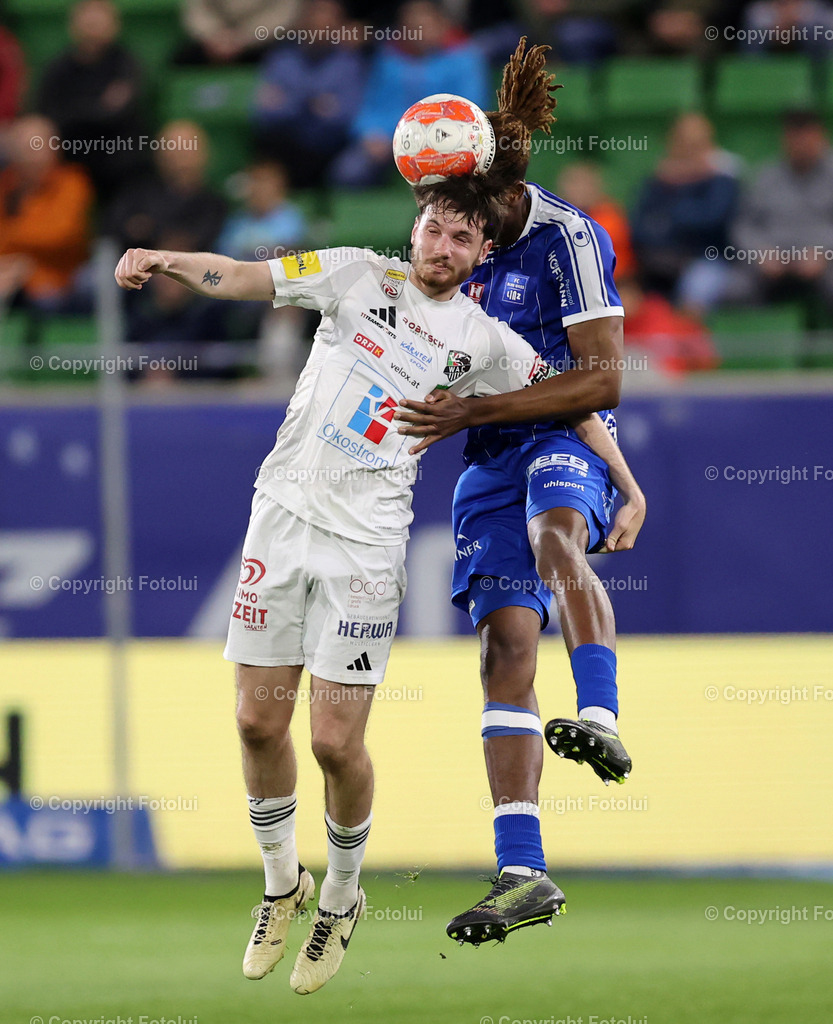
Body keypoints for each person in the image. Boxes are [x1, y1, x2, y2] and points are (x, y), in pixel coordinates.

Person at [114, 177, 644, 984]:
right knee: (257, 725)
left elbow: (573, 405)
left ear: (481, 255)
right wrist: (166, 260)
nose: (441, 248)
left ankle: (342, 896)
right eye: (433, 230)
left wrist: (628, 483)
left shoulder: (484, 342)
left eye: (461, 240)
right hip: (280, 522)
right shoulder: (354, 273)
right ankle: (280, 883)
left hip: (365, 549)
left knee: (333, 742)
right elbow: (247, 277)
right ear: (415, 230)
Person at [395, 39, 646, 944]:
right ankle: (523, 871)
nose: (450, 228)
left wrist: (617, 476)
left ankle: (599, 715)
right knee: (503, 648)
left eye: (464, 212)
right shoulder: (442, 239)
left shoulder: (565, 237)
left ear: (499, 192)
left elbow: (603, 381)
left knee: (554, 537)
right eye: (433, 211)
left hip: (556, 429)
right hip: (483, 451)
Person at [329, 0, 489, 189]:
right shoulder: (388, 57)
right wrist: (369, 133)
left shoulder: (466, 58)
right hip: (390, 139)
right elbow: (370, 104)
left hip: (445, 141)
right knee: (349, 172)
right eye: (410, 24)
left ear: (442, 24)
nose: (417, 30)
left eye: (424, 24)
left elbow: (471, 109)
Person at [630, 112, 739, 316]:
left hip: (704, 260)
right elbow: (639, 228)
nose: (689, 149)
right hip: (657, 260)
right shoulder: (658, 180)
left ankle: (688, 344)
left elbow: (712, 220)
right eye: (683, 142)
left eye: (696, 143)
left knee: (695, 292)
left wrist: (669, 219)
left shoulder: (723, 178)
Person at [36, 0, 146, 201]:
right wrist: (99, 107)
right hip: (71, 153)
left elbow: (118, 113)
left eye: (99, 21)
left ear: (114, 26)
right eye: (88, 22)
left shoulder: (126, 64)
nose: (93, 29)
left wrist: (76, 111)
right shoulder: (58, 68)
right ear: (73, 26)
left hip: (118, 155)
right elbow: (50, 116)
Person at [730, 109, 833, 321]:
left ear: (820, 135)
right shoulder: (765, 177)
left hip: (825, 261)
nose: (800, 143)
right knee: (732, 290)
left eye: (806, 134)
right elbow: (743, 225)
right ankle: (757, 350)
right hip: (773, 261)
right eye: (794, 135)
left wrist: (825, 251)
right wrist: (760, 252)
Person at [0, 115, 94, 310]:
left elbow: (61, 235)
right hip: (9, 275)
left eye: (38, 147)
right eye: (24, 149)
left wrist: (18, 255)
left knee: (48, 298)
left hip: (61, 277)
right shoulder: (6, 185)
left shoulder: (73, 182)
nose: (32, 156)